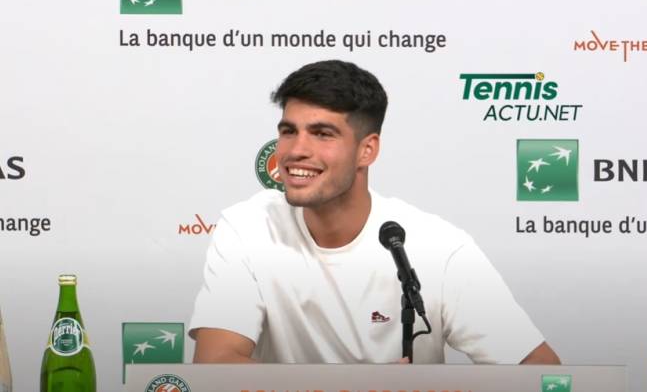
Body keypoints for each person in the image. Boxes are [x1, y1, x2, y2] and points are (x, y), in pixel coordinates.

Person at [188, 60, 560, 365]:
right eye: (289, 131)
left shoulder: (439, 247)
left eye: (322, 134)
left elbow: (538, 368)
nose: (295, 150)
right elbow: (217, 362)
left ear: (367, 150)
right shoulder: (247, 227)